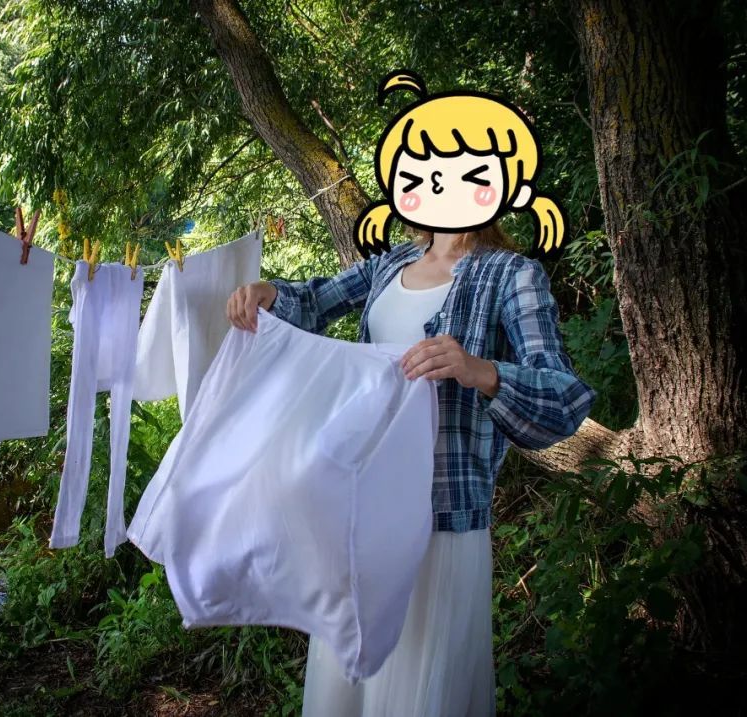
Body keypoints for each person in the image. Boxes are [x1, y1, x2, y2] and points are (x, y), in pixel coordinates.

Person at [225, 71, 596, 716]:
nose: (438, 184)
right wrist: (268, 293)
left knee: (419, 688)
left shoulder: (513, 275)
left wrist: (481, 371)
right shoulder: (389, 264)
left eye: (464, 172)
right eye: (422, 171)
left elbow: (564, 399)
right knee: (349, 685)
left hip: (443, 517)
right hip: (361, 503)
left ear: (502, 186)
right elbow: (312, 302)